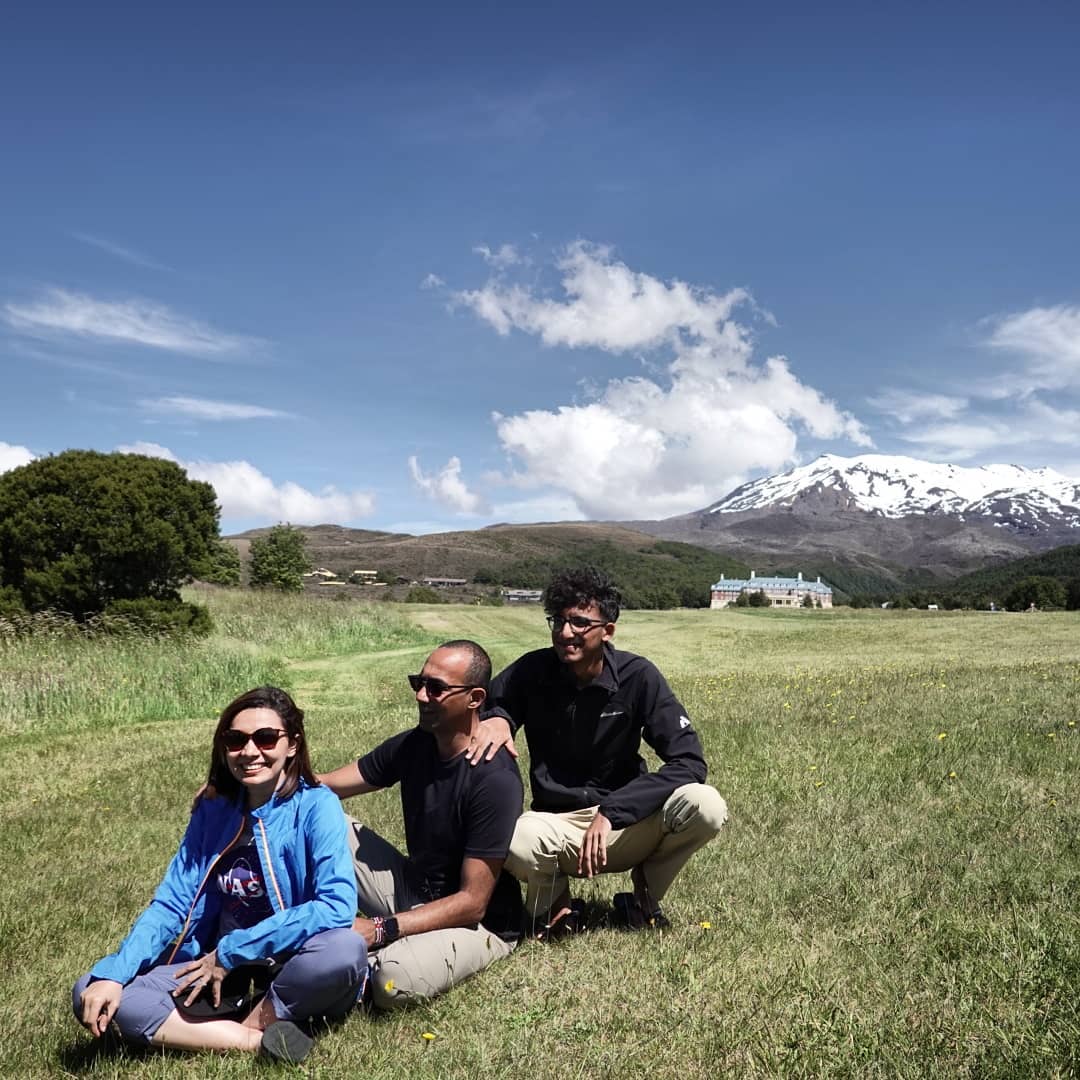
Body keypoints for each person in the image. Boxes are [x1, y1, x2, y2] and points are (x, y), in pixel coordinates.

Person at [73, 687, 364, 1065]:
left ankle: (226, 1024)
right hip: (213, 965)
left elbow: (336, 907)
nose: (249, 751)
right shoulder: (213, 809)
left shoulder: (316, 804)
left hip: (289, 960)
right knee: (92, 989)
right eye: (235, 739)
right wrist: (115, 973)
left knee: (344, 950)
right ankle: (259, 1040)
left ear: (292, 745)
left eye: (265, 738)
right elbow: (171, 903)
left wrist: (233, 950)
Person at [470, 567, 728, 936]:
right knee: (515, 839)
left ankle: (644, 896)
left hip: (627, 824)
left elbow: (689, 761)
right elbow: (481, 705)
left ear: (607, 631)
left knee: (706, 805)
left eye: (578, 622)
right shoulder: (533, 670)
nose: (564, 633)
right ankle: (557, 905)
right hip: (559, 827)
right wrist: (497, 717)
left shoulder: (639, 676)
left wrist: (614, 810)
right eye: (557, 621)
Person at [318, 639, 523, 1010]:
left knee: (394, 980)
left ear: (475, 698)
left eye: (437, 688)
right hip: (417, 892)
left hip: (478, 926)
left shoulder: (494, 779)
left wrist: (380, 928)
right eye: (419, 683)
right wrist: (250, 786)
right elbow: (327, 787)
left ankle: (345, 963)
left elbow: (473, 903)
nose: (421, 696)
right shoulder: (416, 745)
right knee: (319, 816)